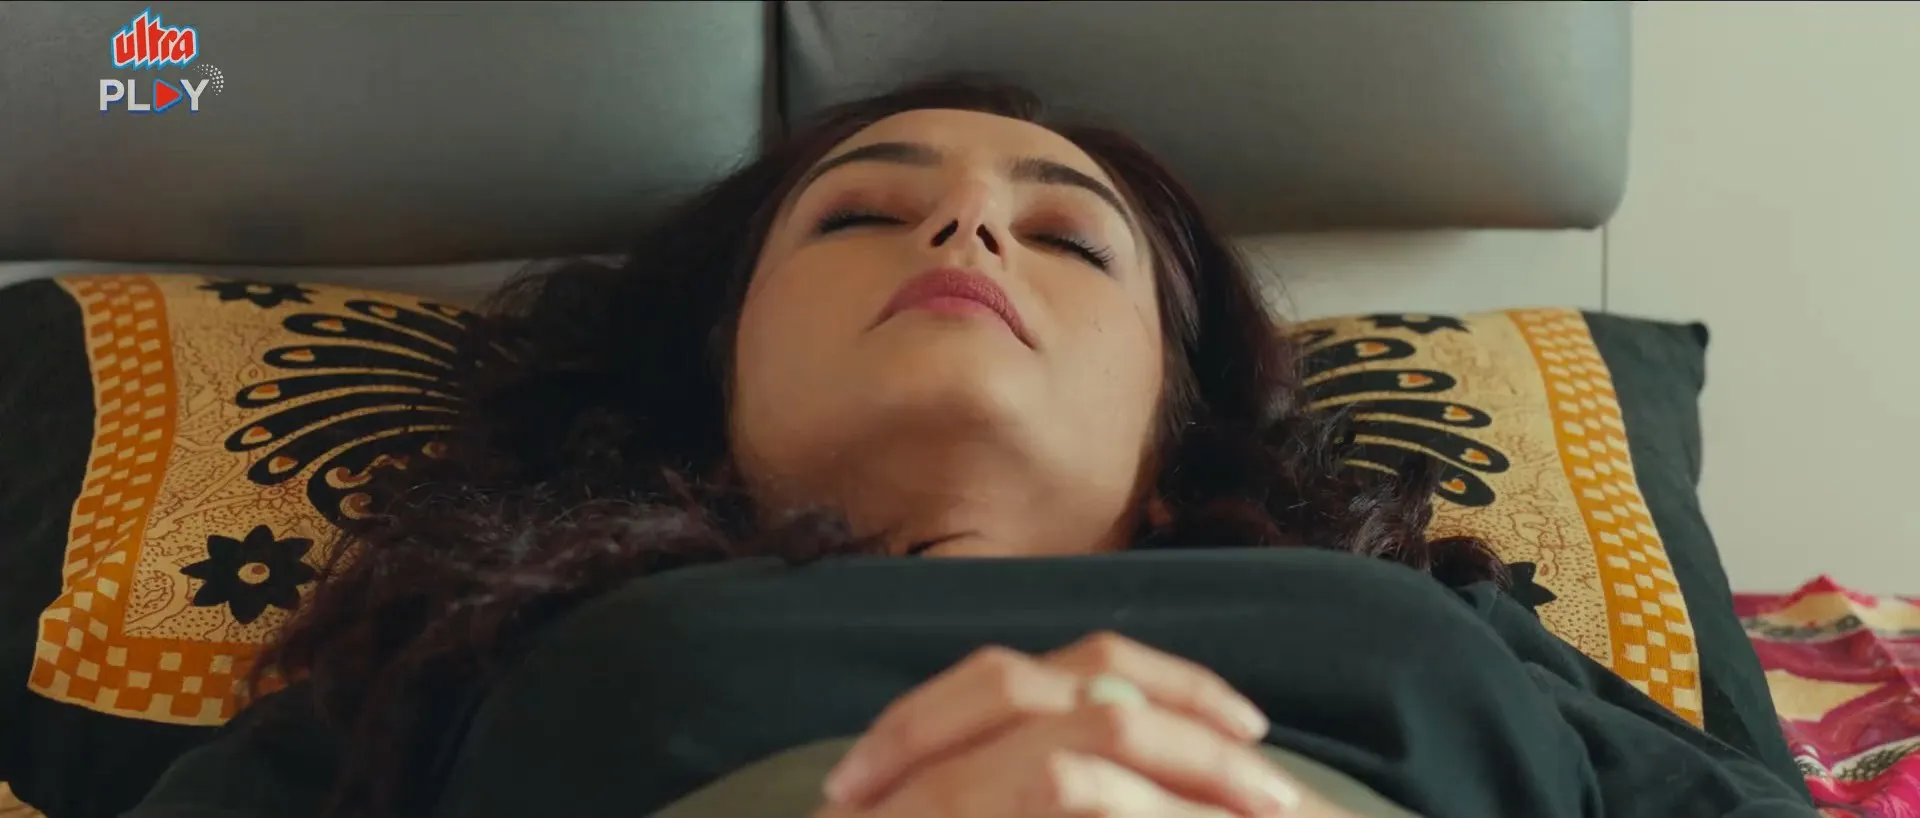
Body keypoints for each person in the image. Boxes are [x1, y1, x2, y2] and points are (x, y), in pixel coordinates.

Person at [125, 77, 1816, 818]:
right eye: (862, 212)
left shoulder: (1437, 621)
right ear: (712, 377)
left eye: (1068, 236)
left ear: (1178, 419)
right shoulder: (498, 638)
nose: (968, 228)